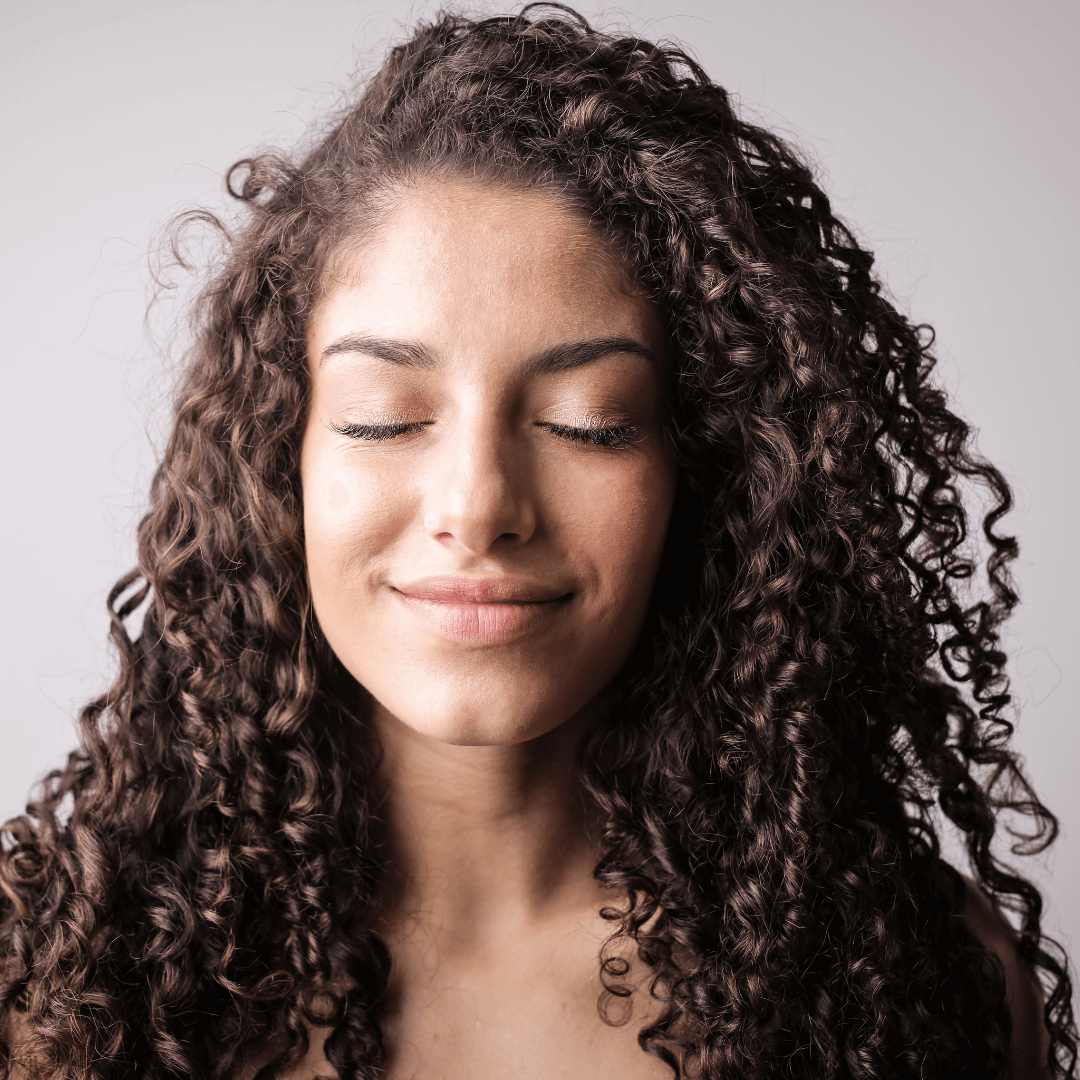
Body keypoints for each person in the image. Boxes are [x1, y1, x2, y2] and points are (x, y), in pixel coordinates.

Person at [0, 5, 1074, 1078]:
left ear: (705, 473)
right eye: (383, 417)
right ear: (276, 465)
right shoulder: (53, 979)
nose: (477, 505)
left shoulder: (911, 987)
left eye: (588, 421)